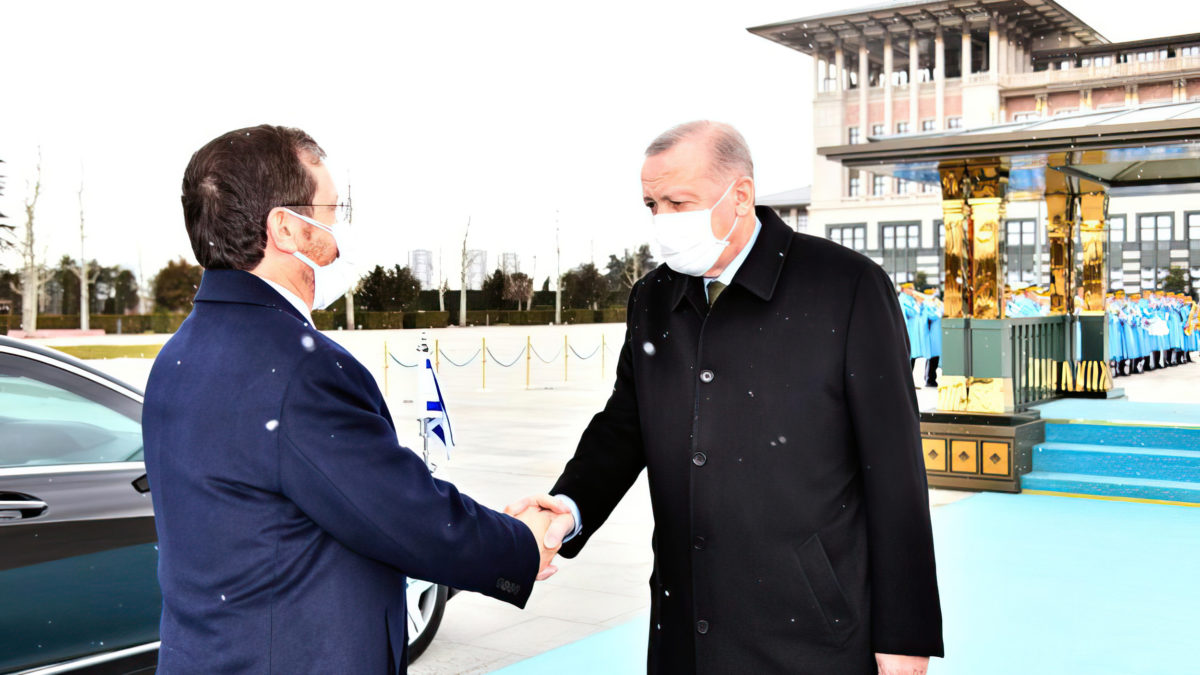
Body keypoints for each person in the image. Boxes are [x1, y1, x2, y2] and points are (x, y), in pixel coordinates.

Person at [509, 121, 942, 674]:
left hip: (812, 631)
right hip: (686, 625)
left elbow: (895, 469)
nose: (663, 221)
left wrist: (905, 635)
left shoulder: (846, 287)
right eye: (651, 204)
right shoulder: (654, 296)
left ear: (740, 196)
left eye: (678, 201)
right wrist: (567, 509)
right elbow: (625, 425)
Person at [142, 125, 556, 673]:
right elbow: (400, 514)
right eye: (333, 212)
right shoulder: (301, 366)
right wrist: (521, 545)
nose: (339, 237)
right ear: (285, 227)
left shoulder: (180, 352)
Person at [922, 288, 943, 387]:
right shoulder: (926, 303)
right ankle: (929, 379)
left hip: (938, 333)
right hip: (931, 333)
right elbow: (929, 315)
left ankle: (932, 378)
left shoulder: (937, 302)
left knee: (936, 356)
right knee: (931, 357)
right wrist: (937, 314)